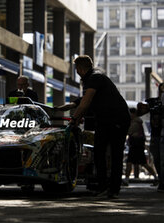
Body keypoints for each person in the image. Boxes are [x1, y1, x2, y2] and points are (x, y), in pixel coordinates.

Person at [61, 55, 130, 198]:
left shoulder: (94, 77)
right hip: (105, 120)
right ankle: (103, 186)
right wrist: (73, 105)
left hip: (117, 119)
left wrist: (74, 119)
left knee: (116, 155)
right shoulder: (93, 78)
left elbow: (86, 102)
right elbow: (85, 100)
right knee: (99, 152)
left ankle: (113, 190)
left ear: (79, 69)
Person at [137, 83, 164, 192]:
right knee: (157, 159)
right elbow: (140, 112)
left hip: (160, 135)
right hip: (155, 135)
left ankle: (162, 183)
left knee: (162, 160)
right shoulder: (154, 102)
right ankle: (161, 180)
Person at [123, 108, 158, 186]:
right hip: (136, 145)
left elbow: (129, 131)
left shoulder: (136, 122)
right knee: (134, 162)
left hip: (136, 145)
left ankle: (156, 177)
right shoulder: (137, 122)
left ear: (134, 114)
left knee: (140, 163)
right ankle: (126, 179)